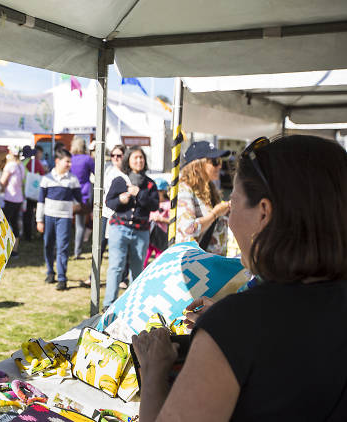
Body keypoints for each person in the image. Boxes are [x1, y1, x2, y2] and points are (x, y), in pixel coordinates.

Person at [132, 135, 347, 421]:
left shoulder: (234, 326)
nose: (230, 219)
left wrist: (153, 371)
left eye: (234, 203)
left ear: (264, 213)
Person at [103, 146, 158, 310]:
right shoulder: (120, 180)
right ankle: (109, 305)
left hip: (141, 232)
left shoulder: (149, 184)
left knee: (137, 269)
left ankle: (133, 305)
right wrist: (121, 199)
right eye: (135, 158)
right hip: (119, 228)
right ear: (128, 160)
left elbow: (154, 205)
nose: (139, 161)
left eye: (141, 158)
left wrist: (139, 194)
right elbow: (109, 202)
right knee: (116, 266)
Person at [36, 148, 82, 291]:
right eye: (67, 161)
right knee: (48, 245)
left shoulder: (73, 180)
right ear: (57, 161)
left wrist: (75, 207)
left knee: (62, 247)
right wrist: (39, 220)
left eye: (70, 162)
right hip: (49, 217)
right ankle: (50, 272)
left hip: (65, 218)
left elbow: (78, 200)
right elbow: (40, 201)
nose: (69, 164)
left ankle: (62, 278)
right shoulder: (46, 179)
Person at [176, 141, 231, 255]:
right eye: (215, 162)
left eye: (220, 161)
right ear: (198, 165)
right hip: (195, 265)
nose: (220, 166)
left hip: (211, 262)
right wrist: (215, 214)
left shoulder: (210, 188)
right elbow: (188, 229)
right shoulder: (184, 189)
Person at [70, 137, 95, 260]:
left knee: (63, 223)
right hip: (83, 195)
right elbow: (97, 172)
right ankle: (77, 252)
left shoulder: (69, 159)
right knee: (80, 225)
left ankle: (60, 249)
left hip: (68, 195)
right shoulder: (88, 159)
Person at [0, 147, 25, 258]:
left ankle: (3, 248)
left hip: (10, 198)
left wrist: (2, 187)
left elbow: (2, 182)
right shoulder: (21, 165)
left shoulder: (10, 165)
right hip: (18, 198)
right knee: (15, 224)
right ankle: (15, 250)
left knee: (3, 224)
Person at [21, 145, 47, 241]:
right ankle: (38, 233)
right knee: (38, 213)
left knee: (27, 214)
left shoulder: (22, 163)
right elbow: (42, 174)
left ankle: (27, 235)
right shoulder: (35, 162)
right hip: (35, 192)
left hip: (24, 192)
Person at [144, 178, 171, 268]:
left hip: (161, 235)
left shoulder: (169, 204)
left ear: (163, 191)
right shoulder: (152, 203)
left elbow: (172, 220)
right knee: (144, 256)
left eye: (157, 191)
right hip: (149, 233)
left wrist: (161, 219)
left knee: (159, 258)